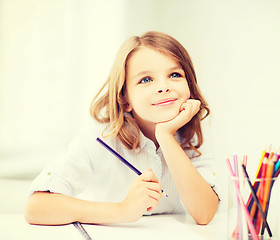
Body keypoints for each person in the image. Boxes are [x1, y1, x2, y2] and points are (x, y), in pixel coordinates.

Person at [25, 31, 220, 226]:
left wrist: (166, 136)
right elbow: (36, 207)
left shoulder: (196, 138)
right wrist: (122, 210)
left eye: (175, 74)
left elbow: (205, 214)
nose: (163, 87)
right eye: (146, 79)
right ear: (125, 99)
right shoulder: (98, 141)